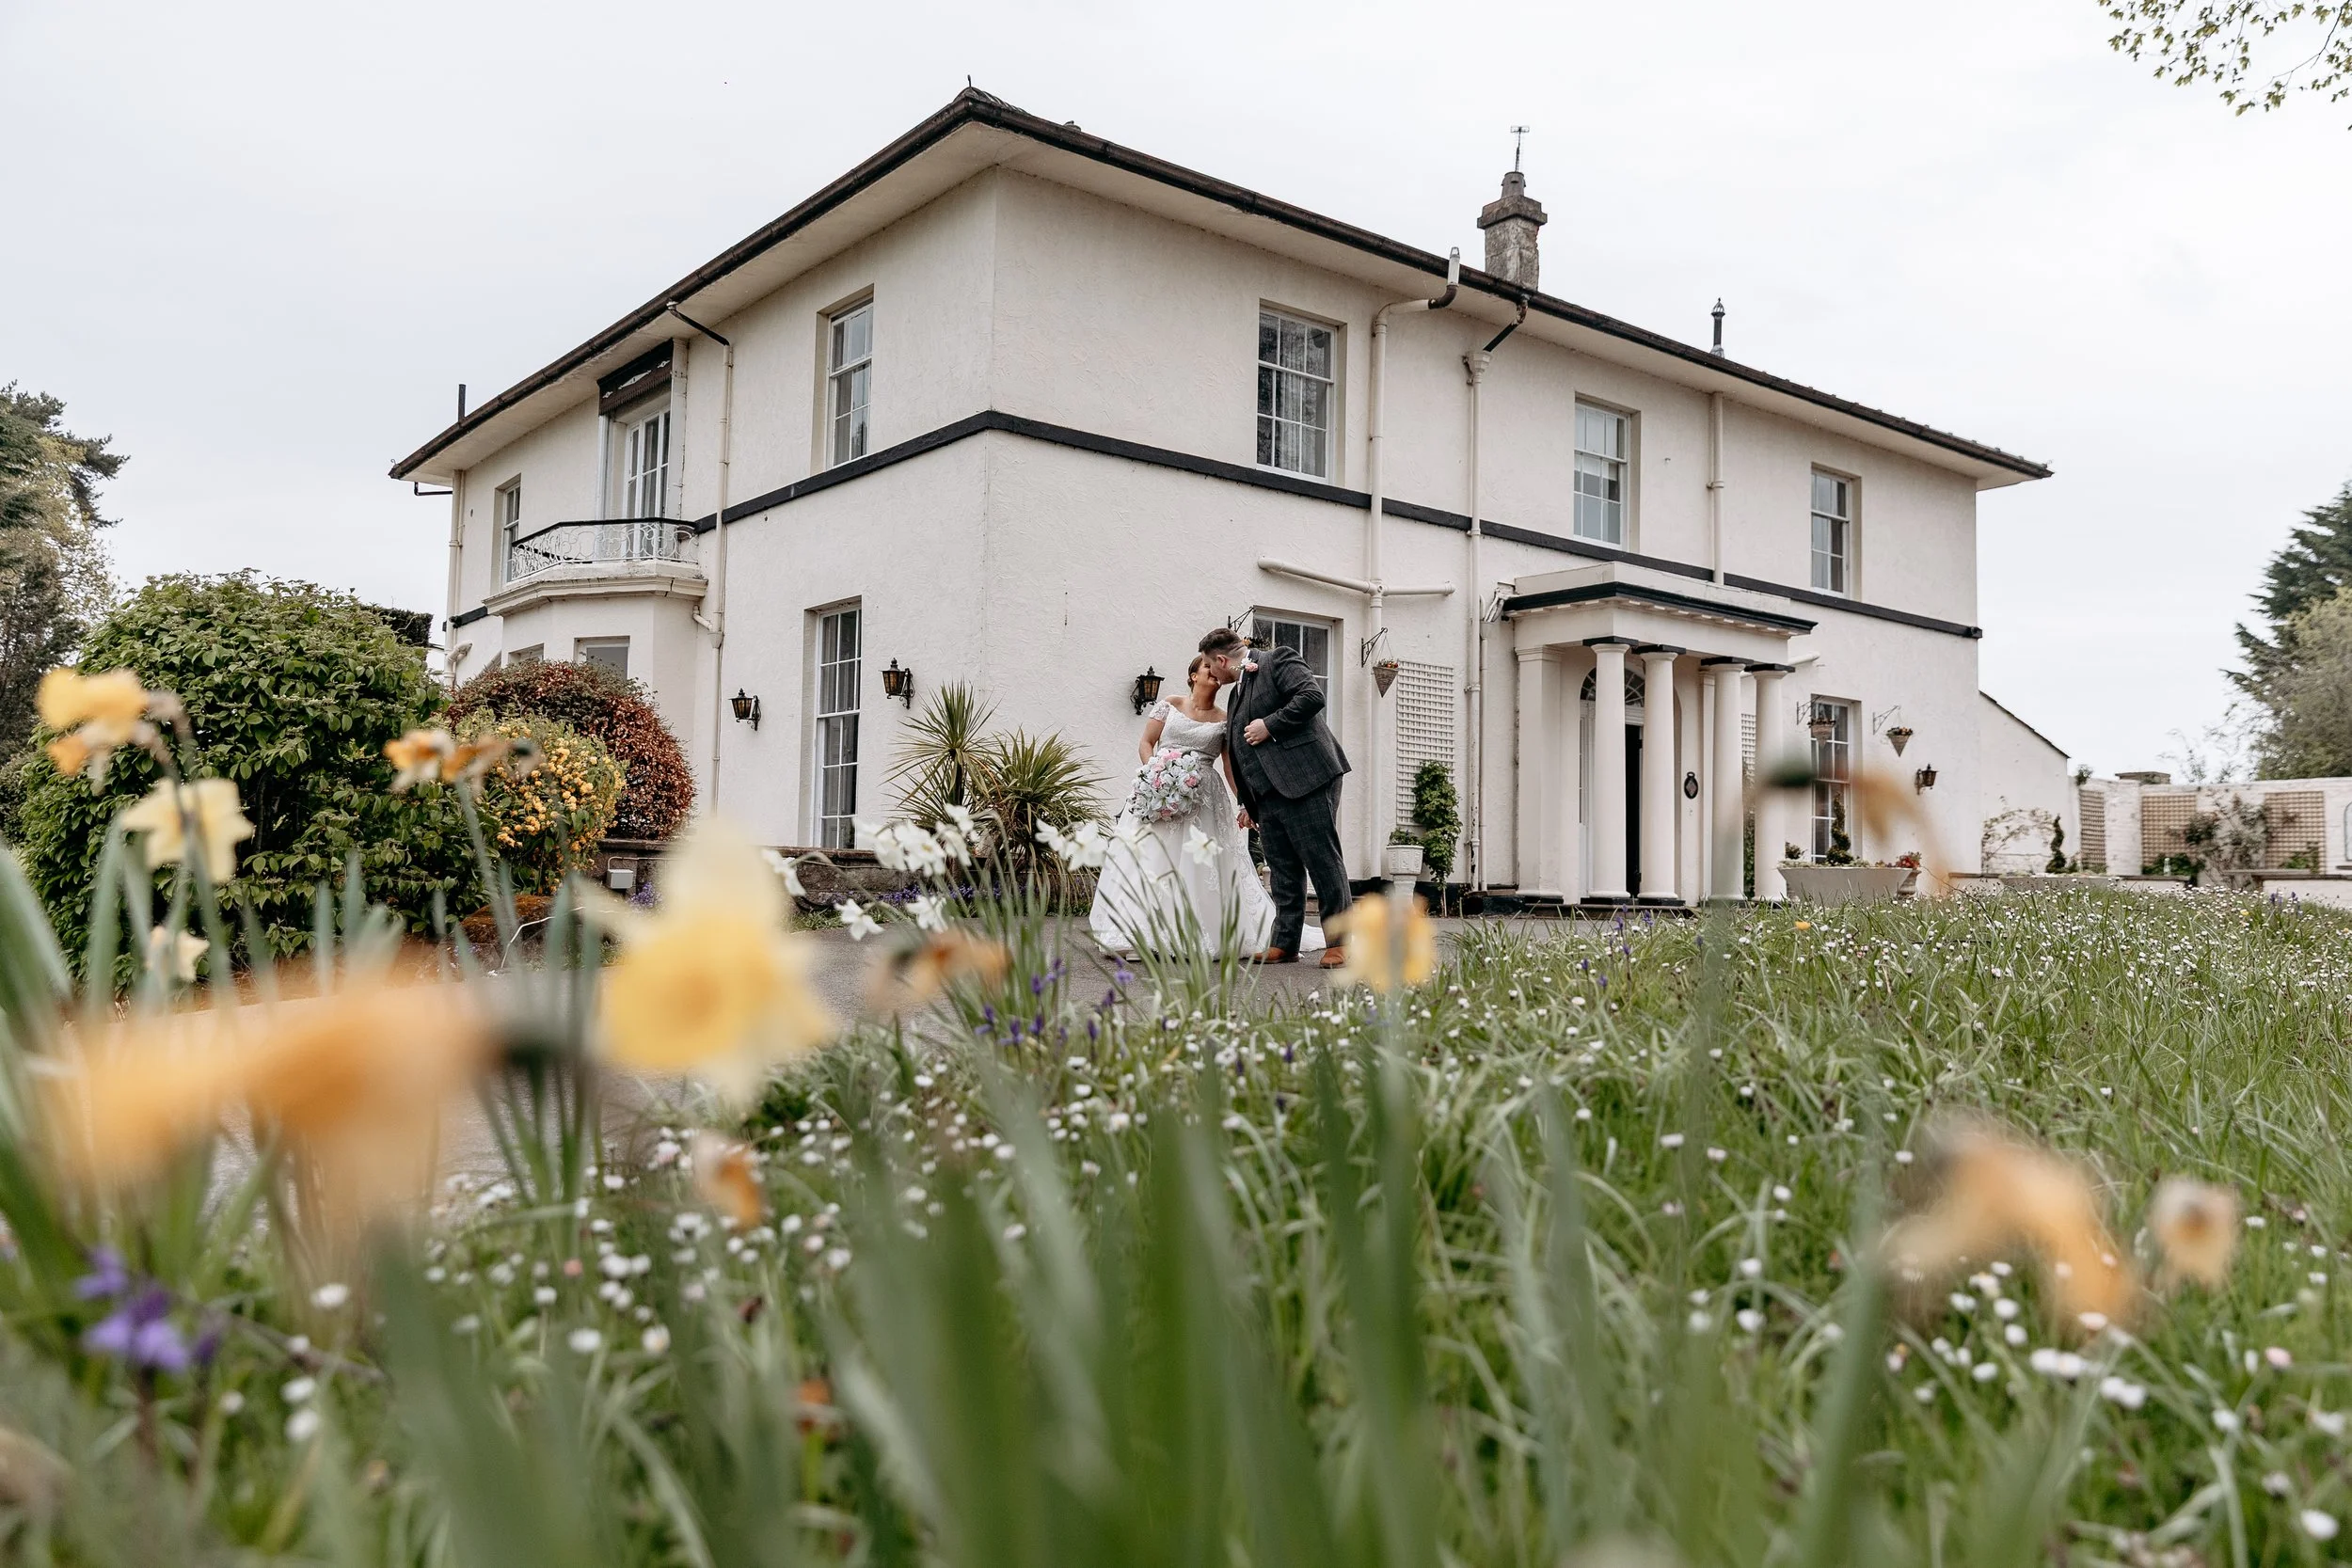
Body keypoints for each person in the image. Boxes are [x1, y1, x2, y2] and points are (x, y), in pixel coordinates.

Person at [1087, 653, 1318, 958]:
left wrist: (1244, 803)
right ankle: (1142, 932)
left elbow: (1229, 767)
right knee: (1153, 858)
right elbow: (1146, 743)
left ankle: (1196, 930)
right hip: (1159, 791)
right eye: (1206, 666)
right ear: (1193, 675)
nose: (1213, 670)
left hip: (1204, 797)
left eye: (1215, 666)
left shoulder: (1225, 719)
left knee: (1198, 863)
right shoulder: (1169, 704)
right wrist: (1156, 773)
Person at [1200, 626, 1353, 968]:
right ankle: (1285, 942)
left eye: (1210, 666)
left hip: (1306, 778)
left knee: (1322, 860)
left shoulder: (1278, 660)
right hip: (1267, 794)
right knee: (1282, 869)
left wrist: (1270, 724)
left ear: (1222, 660)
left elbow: (1312, 697)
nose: (1208, 673)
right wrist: (1247, 801)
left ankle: (1340, 942)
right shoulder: (1236, 692)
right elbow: (1238, 749)